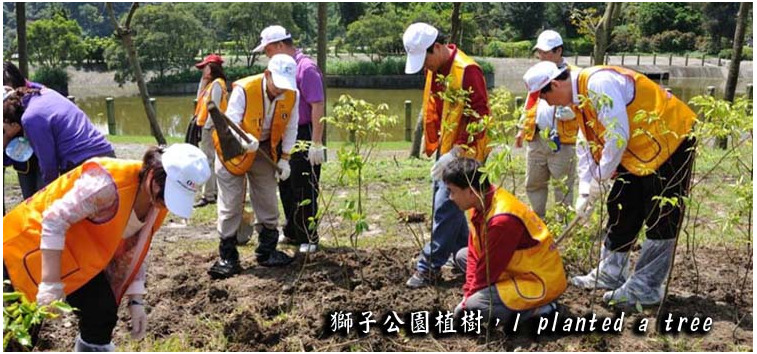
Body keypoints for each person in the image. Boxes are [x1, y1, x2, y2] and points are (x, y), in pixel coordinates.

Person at [3, 144, 211, 351]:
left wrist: (136, 301)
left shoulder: (158, 202)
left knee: (102, 311)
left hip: (77, 258)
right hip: (25, 250)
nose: (165, 202)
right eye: (166, 193)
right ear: (153, 174)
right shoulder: (106, 185)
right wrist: (50, 283)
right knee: (19, 331)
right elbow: (53, 220)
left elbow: (137, 247)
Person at [523, 61, 697, 306]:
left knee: (661, 214)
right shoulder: (577, 99)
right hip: (637, 151)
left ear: (555, 84)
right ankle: (611, 271)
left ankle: (646, 287)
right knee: (621, 204)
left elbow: (617, 136)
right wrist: (586, 187)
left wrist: (600, 178)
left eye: (546, 97)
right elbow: (586, 141)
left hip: (671, 139)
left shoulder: (598, 83)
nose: (549, 104)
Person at [402, 22, 491, 288]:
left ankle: (428, 267)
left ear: (438, 47)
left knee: (446, 204)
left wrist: (457, 150)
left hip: (467, 153)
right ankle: (467, 256)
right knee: (450, 205)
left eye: (425, 58)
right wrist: (442, 150)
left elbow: (481, 116)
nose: (424, 66)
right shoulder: (436, 69)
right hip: (446, 149)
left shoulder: (467, 71)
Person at [207, 54, 300, 279]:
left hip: (265, 149)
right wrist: (243, 140)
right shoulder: (245, 89)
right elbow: (231, 121)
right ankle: (228, 256)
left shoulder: (292, 95)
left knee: (267, 198)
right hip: (233, 148)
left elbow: (290, 127)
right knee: (231, 203)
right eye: (277, 84)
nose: (280, 90)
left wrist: (285, 159)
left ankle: (267, 250)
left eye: (285, 86)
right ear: (267, 75)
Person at [444, 158, 566, 323]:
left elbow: (488, 270)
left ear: (470, 191)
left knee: (475, 306)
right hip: (516, 266)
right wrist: (468, 292)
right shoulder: (480, 202)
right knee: (462, 256)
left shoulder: (502, 220)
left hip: (538, 279)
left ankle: (542, 309)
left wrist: (466, 303)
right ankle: (500, 294)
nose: (450, 197)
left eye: (452, 191)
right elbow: (474, 252)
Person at [253, 25, 325, 252]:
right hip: (283, 132)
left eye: (269, 50)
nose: (267, 56)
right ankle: (292, 230)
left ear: (281, 46)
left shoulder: (306, 68)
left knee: (304, 184)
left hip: (304, 131)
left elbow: (317, 105)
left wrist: (315, 142)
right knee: (285, 181)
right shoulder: (279, 69)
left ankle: (308, 236)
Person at [514, 30, 579, 219]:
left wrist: (570, 112)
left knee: (562, 186)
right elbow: (530, 102)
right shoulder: (538, 74)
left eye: (546, 52)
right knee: (534, 182)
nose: (541, 56)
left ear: (559, 51)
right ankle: (538, 219)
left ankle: (563, 224)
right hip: (537, 137)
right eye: (539, 52)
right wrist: (521, 129)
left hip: (564, 141)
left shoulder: (573, 75)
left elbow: (584, 106)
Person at [3, 84, 116, 186]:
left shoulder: (30, 118)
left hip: (80, 165)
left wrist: (48, 192)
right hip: (107, 154)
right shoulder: (47, 93)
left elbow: (48, 165)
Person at [192, 54, 229, 208]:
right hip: (206, 125)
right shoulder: (211, 84)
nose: (203, 70)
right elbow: (199, 98)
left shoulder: (218, 85)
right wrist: (204, 80)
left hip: (211, 127)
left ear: (212, 67)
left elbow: (215, 108)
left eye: (205, 67)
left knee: (208, 160)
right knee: (209, 160)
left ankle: (209, 195)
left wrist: (207, 127)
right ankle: (211, 192)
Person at [3, 61, 44, 199]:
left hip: (43, 156)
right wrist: (8, 135)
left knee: (44, 197)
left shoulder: (37, 92)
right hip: (21, 159)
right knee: (29, 200)